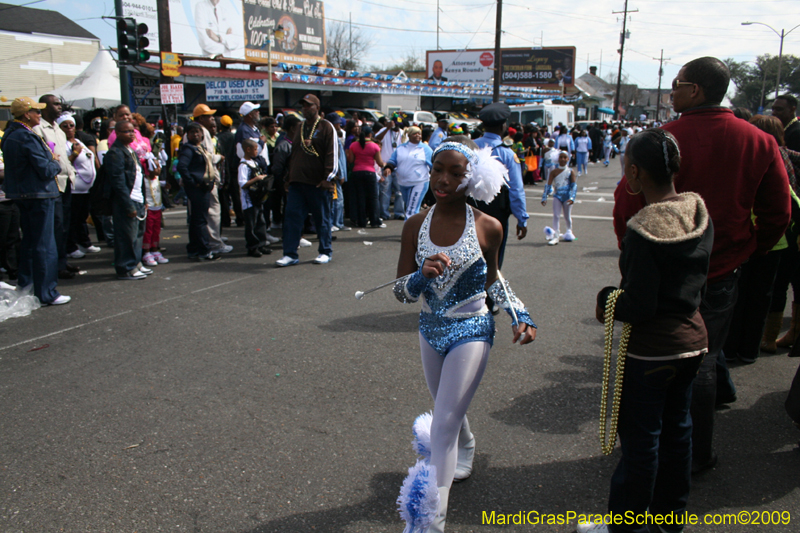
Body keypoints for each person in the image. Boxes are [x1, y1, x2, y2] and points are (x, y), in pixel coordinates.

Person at [612, 56, 791, 474]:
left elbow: (626, 205)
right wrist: (753, 249)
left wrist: (632, 253)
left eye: (677, 84)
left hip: (658, 268)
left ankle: (653, 455)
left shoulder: (660, 139)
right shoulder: (760, 141)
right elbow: (778, 212)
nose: (671, 91)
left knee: (652, 360)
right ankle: (691, 454)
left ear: (695, 91)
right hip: (724, 266)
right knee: (702, 358)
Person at [394, 136, 536, 533]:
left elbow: (494, 281)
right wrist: (420, 277)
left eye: (455, 173)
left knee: (443, 424)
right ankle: (467, 443)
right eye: (438, 170)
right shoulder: (415, 225)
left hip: (471, 328)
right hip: (430, 327)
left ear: (471, 177)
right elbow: (401, 292)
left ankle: (428, 523)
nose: (442, 180)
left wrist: (518, 313)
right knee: (445, 407)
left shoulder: (488, 227)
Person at [579, 129, 713, 533]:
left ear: (635, 172)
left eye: (625, 169)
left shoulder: (643, 229)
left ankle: (627, 527)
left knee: (641, 444)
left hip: (652, 352)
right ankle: (669, 519)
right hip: (693, 342)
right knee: (678, 432)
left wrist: (607, 299)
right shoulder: (698, 212)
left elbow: (639, 304)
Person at [1, 97, 69, 304]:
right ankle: (47, 291)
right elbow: (45, 169)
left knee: (30, 241)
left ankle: (27, 284)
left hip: (23, 194)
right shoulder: (26, 136)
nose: (40, 115)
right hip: (39, 194)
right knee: (45, 245)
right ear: (26, 114)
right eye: (36, 112)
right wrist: (55, 162)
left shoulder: (10, 135)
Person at [275, 94, 337, 267]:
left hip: (318, 183)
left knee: (322, 218)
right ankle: (290, 254)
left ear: (317, 108)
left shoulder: (326, 127)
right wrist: (289, 177)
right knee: (292, 218)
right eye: (303, 106)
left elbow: (332, 154)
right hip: (297, 182)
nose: (305, 109)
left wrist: (328, 178)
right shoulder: (299, 127)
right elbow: (293, 154)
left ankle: (325, 251)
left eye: (309, 106)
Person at [472, 102, 528, 269]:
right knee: (493, 259)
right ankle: (489, 293)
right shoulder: (507, 153)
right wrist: (522, 218)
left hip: (469, 208)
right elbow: (516, 189)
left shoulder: (469, 147)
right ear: (504, 125)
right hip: (497, 210)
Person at [33, 95, 77, 280]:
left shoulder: (58, 129)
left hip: (66, 182)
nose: (59, 107)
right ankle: (55, 266)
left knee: (64, 226)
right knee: (56, 227)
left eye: (60, 104)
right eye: (56, 104)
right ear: (44, 106)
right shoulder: (38, 129)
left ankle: (62, 260)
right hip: (53, 183)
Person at [104, 121, 152, 281]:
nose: (131, 134)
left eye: (132, 131)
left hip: (138, 198)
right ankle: (125, 267)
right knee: (126, 236)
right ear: (117, 133)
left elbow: (140, 176)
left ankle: (135, 262)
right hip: (127, 200)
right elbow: (117, 182)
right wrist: (128, 204)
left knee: (138, 234)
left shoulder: (130, 150)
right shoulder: (115, 153)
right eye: (126, 132)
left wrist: (144, 199)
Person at [57, 114, 100, 260]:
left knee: (82, 217)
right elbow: (63, 164)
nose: (69, 128)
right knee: (72, 219)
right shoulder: (62, 144)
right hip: (74, 188)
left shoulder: (78, 141)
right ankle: (71, 246)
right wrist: (75, 154)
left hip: (86, 188)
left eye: (71, 125)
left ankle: (84, 242)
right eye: (65, 126)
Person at [192, 103, 232, 254]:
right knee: (212, 211)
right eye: (209, 116)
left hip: (203, 178)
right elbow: (205, 156)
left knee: (208, 212)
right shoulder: (200, 131)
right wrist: (218, 157)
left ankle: (213, 239)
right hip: (206, 178)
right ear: (201, 118)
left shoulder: (198, 130)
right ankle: (214, 243)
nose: (213, 119)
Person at [178, 122, 221, 262]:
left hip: (204, 187)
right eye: (192, 132)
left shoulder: (200, 147)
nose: (196, 135)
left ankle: (194, 248)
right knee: (201, 220)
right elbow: (182, 166)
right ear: (187, 135)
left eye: (198, 132)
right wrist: (192, 182)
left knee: (196, 219)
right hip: (198, 189)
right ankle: (204, 250)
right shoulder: (188, 149)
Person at [382, 126, 433, 220]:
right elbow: (393, 160)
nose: (418, 135)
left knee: (411, 210)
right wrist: (388, 168)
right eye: (415, 133)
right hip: (403, 182)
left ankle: (409, 232)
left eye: (419, 133)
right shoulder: (401, 148)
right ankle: (416, 228)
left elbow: (433, 165)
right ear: (409, 135)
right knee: (409, 207)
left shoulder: (426, 149)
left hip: (419, 182)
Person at [238, 138, 272, 257]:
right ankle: (252, 247)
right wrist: (257, 179)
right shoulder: (243, 165)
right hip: (249, 201)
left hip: (257, 199)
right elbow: (243, 184)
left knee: (260, 222)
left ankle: (261, 244)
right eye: (255, 149)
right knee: (251, 225)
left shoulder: (255, 163)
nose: (257, 151)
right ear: (248, 149)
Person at [346, 125, 384, 228]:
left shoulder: (353, 145)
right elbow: (380, 163)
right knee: (373, 197)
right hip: (370, 172)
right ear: (370, 134)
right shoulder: (374, 146)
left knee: (360, 197)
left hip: (357, 172)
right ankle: (374, 220)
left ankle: (361, 221)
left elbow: (351, 160)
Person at [541, 151, 577, 245]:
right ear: (558, 159)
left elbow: (574, 186)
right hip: (557, 196)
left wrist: (573, 197)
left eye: (565, 157)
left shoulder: (570, 171)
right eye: (561, 157)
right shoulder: (554, 171)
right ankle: (556, 236)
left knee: (567, 216)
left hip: (567, 196)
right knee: (556, 215)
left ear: (568, 159)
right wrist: (544, 197)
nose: (562, 159)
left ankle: (569, 231)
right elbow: (548, 185)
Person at [374, 117, 406, 221]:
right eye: (394, 124)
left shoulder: (402, 133)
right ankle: (384, 213)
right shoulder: (385, 131)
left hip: (400, 166)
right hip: (386, 165)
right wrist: (387, 128)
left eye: (398, 125)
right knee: (385, 191)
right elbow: (376, 139)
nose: (396, 127)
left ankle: (399, 213)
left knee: (400, 191)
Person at [326, 113, 350, 232]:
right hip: (335, 174)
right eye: (337, 122)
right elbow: (336, 158)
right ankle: (335, 223)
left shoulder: (336, 135)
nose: (339, 124)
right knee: (336, 200)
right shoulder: (330, 136)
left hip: (340, 173)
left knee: (338, 200)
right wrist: (340, 174)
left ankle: (337, 222)